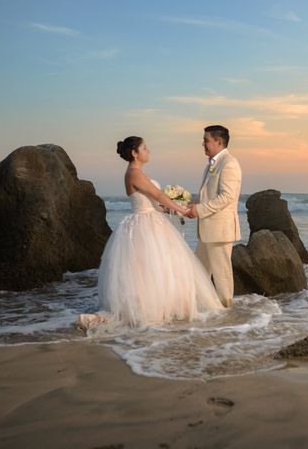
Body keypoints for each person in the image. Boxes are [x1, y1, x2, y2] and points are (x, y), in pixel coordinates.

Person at [76, 136, 223, 332]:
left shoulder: (137, 172)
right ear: (135, 153)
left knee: (159, 268)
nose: (149, 151)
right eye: (144, 148)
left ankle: (162, 307)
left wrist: (172, 208)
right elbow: (159, 195)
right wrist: (182, 210)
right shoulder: (134, 173)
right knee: (149, 269)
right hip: (145, 224)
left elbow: (156, 202)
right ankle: (148, 311)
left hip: (151, 220)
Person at [186, 125, 242, 307]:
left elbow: (226, 197)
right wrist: (185, 202)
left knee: (222, 276)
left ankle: (228, 317)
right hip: (207, 231)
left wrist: (199, 210)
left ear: (218, 142)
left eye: (206, 140)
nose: (203, 144)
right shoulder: (211, 164)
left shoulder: (229, 163)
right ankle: (202, 312)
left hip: (219, 231)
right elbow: (206, 195)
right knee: (199, 272)